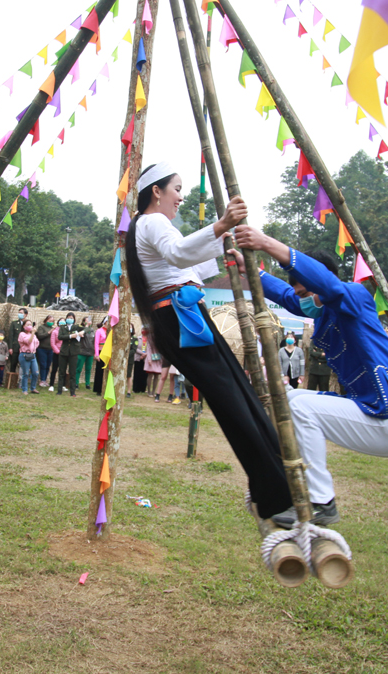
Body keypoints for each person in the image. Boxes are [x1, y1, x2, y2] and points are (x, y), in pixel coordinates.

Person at [125, 162, 292, 526]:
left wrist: (223, 246)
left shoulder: (150, 227)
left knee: (237, 393)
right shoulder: (152, 222)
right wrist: (222, 225)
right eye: (177, 189)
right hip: (180, 316)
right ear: (157, 191)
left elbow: (189, 267)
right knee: (232, 399)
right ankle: (275, 491)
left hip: (184, 314)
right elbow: (180, 255)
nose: (181, 198)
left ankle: (274, 480)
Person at [231, 225, 388, 529]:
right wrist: (249, 270)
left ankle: (321, 502)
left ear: (322, 280)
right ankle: (286, 483)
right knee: (290, 399)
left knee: (301, 408)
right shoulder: (324, 315)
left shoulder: (355, 297)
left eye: (307, 292)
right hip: (372, 414)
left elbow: (328, 288)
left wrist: (266, 243)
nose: (302, 301)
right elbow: (289, 297)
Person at [57, 312, 85, 396]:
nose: (70, 319)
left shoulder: (76, 327)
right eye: (69, 317)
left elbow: (87, 329)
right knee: (62, 372)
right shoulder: (62, 327)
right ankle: (59, 390)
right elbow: (60, 337)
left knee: (72, 372)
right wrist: (70, 336)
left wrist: (81, 332)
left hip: (73, 352)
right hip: (64, 352)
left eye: (72, 318)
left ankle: (72, 391)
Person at [17, 319, 40, 394]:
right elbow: (28, 341)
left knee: (35, 372)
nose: (29, 326)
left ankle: (33, 388)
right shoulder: (22, 334)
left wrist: (33, 349)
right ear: (23, 326)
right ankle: (24, 389)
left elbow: (37, 343)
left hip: (32, 355)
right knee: (26, 373)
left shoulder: (33, 335)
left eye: (30, 324)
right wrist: (33, 333)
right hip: (24, 355)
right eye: (27, 325)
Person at [75, 316, 95, 389]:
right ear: (84, 322)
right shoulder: (81, 329)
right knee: (78, 369)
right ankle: (76, 383)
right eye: (87, 321)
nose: (89, 322)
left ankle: (87, 384)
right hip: (82, 352)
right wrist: (86, 327)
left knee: (88, 369)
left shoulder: (93, 331)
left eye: (90, 320)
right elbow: (80, 335)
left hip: (90, 353)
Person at [35, 315, 55, 388]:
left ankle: (45, 379)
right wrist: (49, 332)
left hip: (50, 349)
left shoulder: (53, 328)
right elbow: (40, 336)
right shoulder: (41, 327)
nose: (50, 322)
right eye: (49, 321)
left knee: (48, 365)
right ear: (46, 320)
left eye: (52, 321)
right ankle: (42, 379)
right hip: (42, 348)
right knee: (43, 364)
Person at [8, 307, 27, 377]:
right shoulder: (14, 323)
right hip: (15, 347)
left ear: (26, 315)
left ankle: (21, 381)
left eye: (21, 313)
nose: (20, 314)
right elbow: (11, 336)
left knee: (23, 365)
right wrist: (10, 347)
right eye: (19, 313)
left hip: (24, 349)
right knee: (13, 364)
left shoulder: (27, 324)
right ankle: (11, 381)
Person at [92, 318, 108, 396]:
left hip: (108, 353)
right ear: (105, 322)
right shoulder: (99, 331)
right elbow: (96, 343)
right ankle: (98, 389)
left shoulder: (111, 331)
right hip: (101, 352)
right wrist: (96, 354)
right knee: (99, 371)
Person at [48, 318, 64, 392]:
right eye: (61, 321)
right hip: (56, 353)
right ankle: (51, 385)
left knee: (63, 370)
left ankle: (62, 385)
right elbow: (52, 343)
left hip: (64, 353)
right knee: (54, 369)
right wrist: (57, 351)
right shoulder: (55, 331)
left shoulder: (66, 331)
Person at [132, 327, 149, 394]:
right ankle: (135, 389)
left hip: (145, 359)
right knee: (137, 373)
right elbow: (135, 348)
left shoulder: (149, 340)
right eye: (143, 330)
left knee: (144, 374)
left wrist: (145, 354)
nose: (144, 331)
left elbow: (150, 348)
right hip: (138, 358)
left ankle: (143, 389)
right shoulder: (137, 338)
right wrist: (142, 353)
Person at [126, 324, 138, 397]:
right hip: (121, 360)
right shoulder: (123, 337)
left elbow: (134, 350)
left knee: (128, 376)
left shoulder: (134, 339)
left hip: (129, 360)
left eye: (131, 327)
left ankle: (129, 391)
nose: (129, 328)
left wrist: (126, 355)